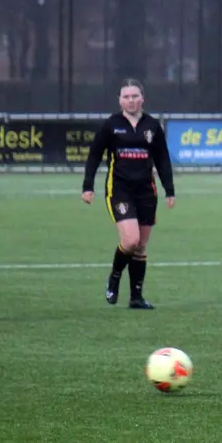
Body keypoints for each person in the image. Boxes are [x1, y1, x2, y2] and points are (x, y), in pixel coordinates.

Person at [81, 78, 176, 309]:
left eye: (135, 96)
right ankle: (114, 277)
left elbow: (162, 159)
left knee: (141, 247)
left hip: (146, 191)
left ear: (142, 98)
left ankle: (136, 297)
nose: (131, 100)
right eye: (126, 96)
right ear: (119, 100)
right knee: (130, 240)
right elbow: (94, 155)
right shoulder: (111, 125)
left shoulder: (152, 126)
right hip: (120, 189)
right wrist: (88, 186)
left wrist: (169, 190)